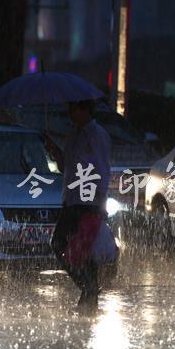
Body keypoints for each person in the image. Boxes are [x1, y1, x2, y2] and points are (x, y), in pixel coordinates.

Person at [50, 99, 111, 310]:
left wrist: (100, 203)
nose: (69, 113)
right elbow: (67, 166)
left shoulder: (97, 135)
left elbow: (102, 170)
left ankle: (90, 294)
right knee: (63, 245)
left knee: (76, 247)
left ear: (85, 109)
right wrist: (54, 151)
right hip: (72, 199)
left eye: (73, 108)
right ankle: (89, 291)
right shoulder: (74, 134)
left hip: (89, 201)